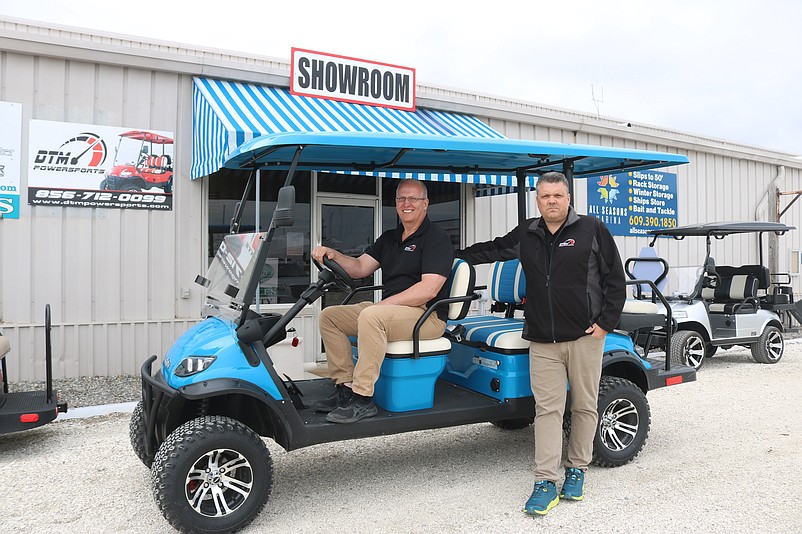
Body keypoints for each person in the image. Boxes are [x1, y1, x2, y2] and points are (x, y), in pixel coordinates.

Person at [456, 171, 625, 515]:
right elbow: (492, 250)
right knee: (547, 410)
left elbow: (615, 279)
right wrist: (451, 257)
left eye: (557, 196)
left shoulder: (592, 230)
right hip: (542, 340)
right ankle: (545, 480)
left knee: (583, 405)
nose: (551, 201)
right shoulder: (528, 233)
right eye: (545, 196)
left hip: (583, 337)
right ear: (538, 200)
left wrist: (604, 324)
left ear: (568, 198)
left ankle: (576, 469)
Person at [311, 179, 454, 424]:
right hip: (394, 313)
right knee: (330, 316)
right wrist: (334, 255)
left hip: (426, 315)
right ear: (396, 203)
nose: (406, 203)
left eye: (413, 199)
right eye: (401, 199)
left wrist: (383, 306)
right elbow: (359, 267)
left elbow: (428, 290)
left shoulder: (436, 238)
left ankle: (363, 398)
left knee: (372, 315)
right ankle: (345, 388)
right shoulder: (390, 238)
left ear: (425, 204)